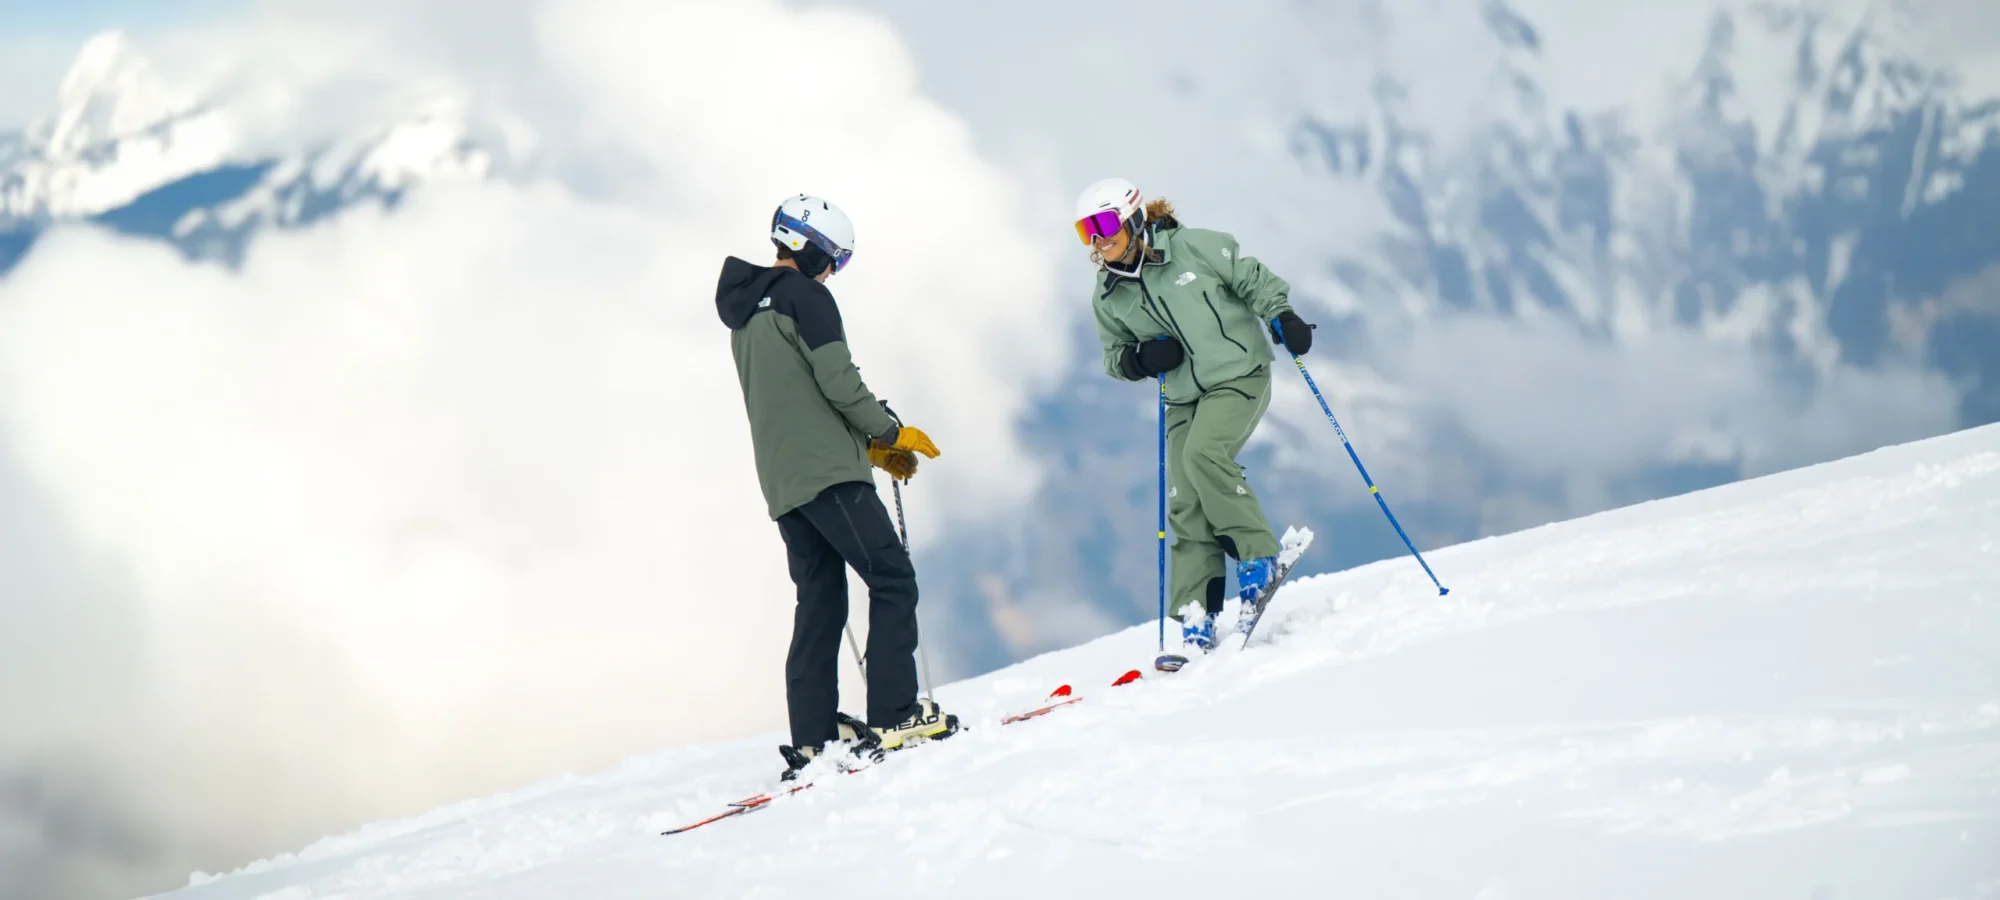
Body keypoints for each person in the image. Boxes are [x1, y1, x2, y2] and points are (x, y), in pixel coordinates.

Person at [716, 193, 956, 779]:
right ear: (813, 248)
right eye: (836, 260)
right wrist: (888, 432)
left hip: (783, 484)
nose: (834, 273)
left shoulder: (745, 314)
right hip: (830, 476)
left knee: (820, 603)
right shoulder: (807, 296)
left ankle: (814, 739)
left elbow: (796, 396)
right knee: (893, 579)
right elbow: (838, 382)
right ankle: (896, 715)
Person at [1076, 178, 1314, 652]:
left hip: (1239, 375)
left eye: (1105, 225)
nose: (1100, 240)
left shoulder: (1195, 248)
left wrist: (1281, 315)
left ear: (1134, 219)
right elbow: (1113, 356)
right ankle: (1196, 611)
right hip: (1184, 398)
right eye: (1088, 231)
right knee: (1184, 497)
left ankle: (1258, 556)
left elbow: (1253, 278)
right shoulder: (1109, 295)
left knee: (1206, 455)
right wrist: (1140, 361)